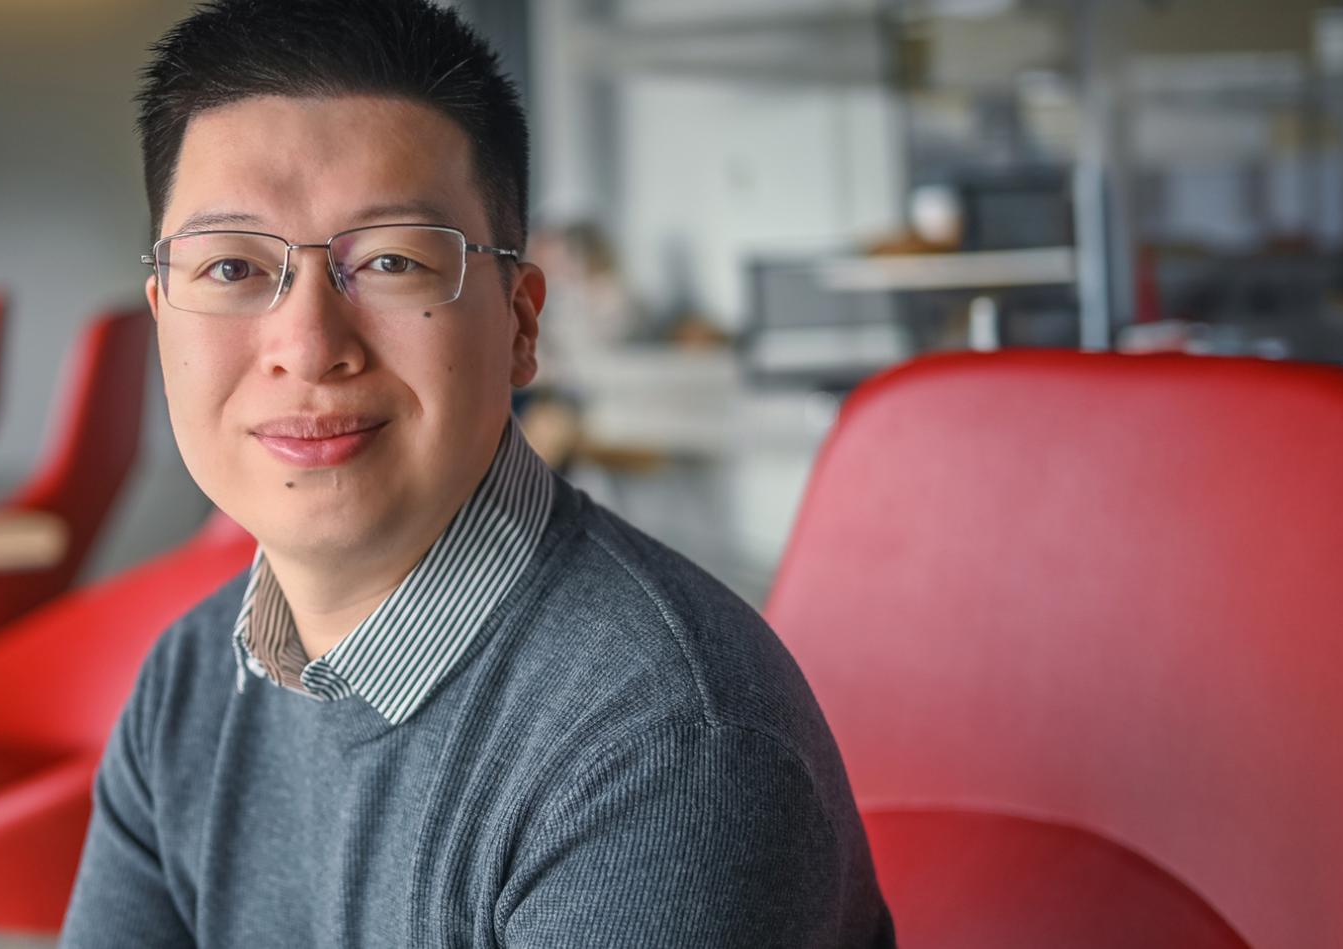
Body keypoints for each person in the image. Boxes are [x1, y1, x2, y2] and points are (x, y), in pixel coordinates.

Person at [61, 1, 893, 945]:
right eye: (231, 270)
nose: (307, 345)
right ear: (161, 316)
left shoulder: (670, 752)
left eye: (389, 261)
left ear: (521, 324)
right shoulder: (188, 683)